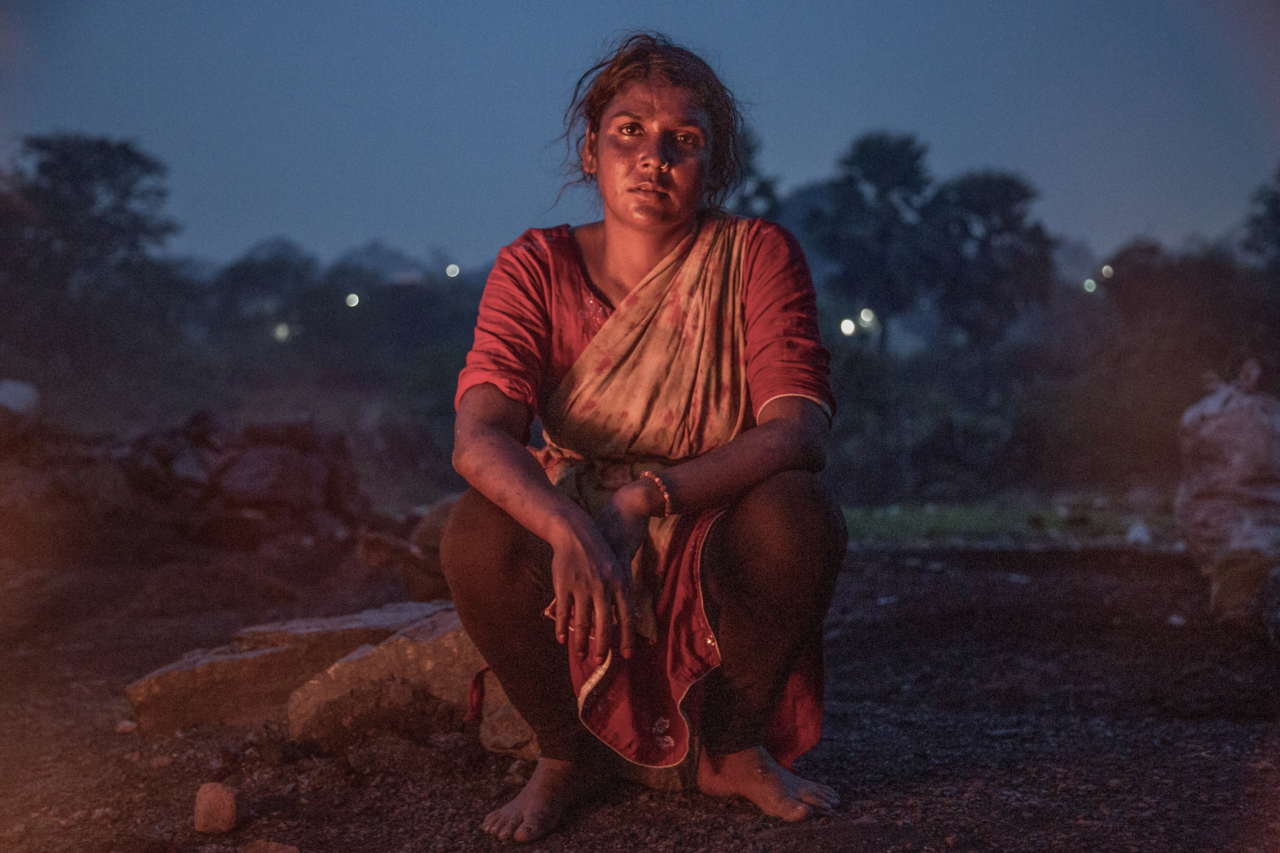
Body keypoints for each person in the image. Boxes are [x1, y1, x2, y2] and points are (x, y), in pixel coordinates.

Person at [440, 33, 847, 843]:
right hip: (579, 516)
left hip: (711, 513)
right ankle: (565, 752)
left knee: (800, 514)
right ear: (590, 150)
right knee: (476, 534)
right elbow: (479, 437)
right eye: (628, 131)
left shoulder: (755, 256)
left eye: (684, 141)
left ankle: (730, 745)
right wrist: (568, 525)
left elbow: (795, 429)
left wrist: (645, 498)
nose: (652, 157)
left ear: (714, 169)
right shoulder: (535, 268)